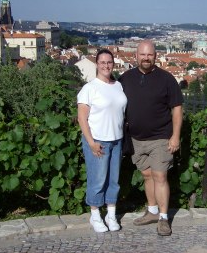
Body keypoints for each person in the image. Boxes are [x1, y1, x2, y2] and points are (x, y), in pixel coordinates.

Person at [119, 40, 183, 236]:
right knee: (147, 175)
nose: (146, 58)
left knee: (160, 176)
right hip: (136, 139)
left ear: (155, 56)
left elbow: (177, 108)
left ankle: (164, 218)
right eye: (142, 55)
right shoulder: (125, 79)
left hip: (160, 137)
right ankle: (152, 211)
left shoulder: (167, 79)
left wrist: (175, 136)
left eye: (150, 55)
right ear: (135, 56)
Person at [77, 48, 127, 233]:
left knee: (114, 180)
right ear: (97, 64)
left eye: (109, 62)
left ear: (113, 64)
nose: (106, 65)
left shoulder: (118, 85)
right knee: (97, 180)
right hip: (98, 140)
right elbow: (82, 118)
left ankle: (111, 214)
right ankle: (95, 215)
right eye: (102, 62)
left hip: (117, 139)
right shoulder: (89, 88)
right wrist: (90, 142)